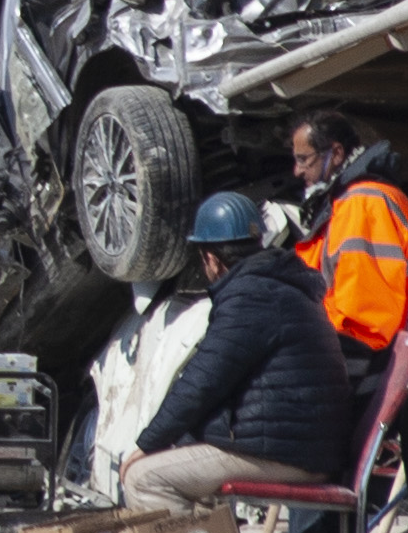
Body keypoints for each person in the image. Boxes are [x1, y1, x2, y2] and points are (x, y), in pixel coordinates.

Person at [123, 191, 358, 515]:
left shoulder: (250, 295)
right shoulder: (277, 285)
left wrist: (146, 444)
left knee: (143, 478)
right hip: (303, 448)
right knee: (184, 467)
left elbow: (203, 380)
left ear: (211, 258)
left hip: (287, 454)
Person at [286, 112, 408, 356]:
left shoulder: (362, 204)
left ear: (337, 154)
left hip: (360, 357)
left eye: (304, 160)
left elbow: (364, 320)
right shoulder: (354, 200)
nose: (297, 171)